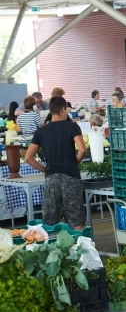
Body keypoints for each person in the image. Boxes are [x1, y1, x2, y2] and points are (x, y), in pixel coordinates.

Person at [24, 96, 86, 229]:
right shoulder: (72, 127)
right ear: (63, 110)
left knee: (50, 219)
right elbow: (82, 149)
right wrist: (76, 161)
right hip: (71, 175)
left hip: (51, 178)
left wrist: (45, 169)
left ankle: (52, 240)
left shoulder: (41, 131)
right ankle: (80, 241)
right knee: (76, 217)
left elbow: (28, 157)